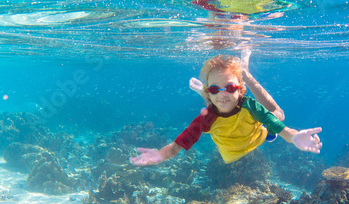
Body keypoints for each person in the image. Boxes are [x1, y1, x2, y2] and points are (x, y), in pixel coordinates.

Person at [130, 53, 322, 166]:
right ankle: (230, 80)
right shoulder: (205, 119)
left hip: (260, 135)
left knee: (277, 115)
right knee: (217, 108)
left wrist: (294, 136)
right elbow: (177, 145)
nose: (223, 93)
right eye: (214, 89)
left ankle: (244, 75)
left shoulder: (249, 105)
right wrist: (161, 155)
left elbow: (283, 129)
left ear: (240, 90)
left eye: (230, 87)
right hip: (230, 154)